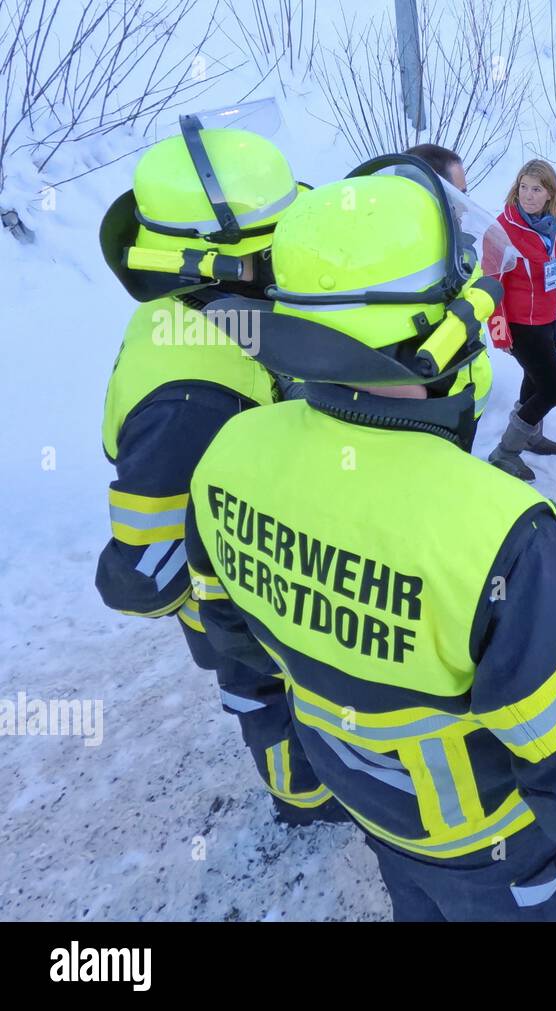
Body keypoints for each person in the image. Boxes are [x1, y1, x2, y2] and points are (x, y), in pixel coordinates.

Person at [184, 164, 556, 921]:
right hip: (492, 847)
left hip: (369, 806)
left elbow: (228, 639)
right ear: (437, 329)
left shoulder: (229, 452)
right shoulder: (499, 531)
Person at [95, 116, 342, 825]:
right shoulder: (186, 397)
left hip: (264, 572)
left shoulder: (199, 312)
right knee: (267, 696)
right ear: (221, 262)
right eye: (275, 248)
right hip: (238, 608)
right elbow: (146, 576)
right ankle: (306, 800)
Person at [487, 159, 556, 480]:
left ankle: (530, 433)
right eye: (523, 187)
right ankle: (506, 451)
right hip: (521, 324)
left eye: (537, 189)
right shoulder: (502, 231)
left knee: (535, 379)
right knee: (552, 388)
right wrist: (499, 332)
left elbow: (550, 272)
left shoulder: (554, 225)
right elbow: (491, 282)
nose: (528, 195)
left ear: (550, 193)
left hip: (547, 318)